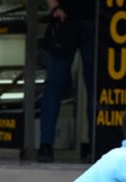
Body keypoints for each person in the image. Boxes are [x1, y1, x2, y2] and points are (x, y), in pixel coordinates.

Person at [37, 0, 96, 162]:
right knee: (56, 86)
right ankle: (46, 145)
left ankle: (46, 146)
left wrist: (55, 7)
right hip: (73, 19)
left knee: (92, 88)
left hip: (87, 20)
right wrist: (55, 7)